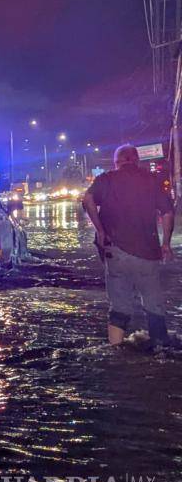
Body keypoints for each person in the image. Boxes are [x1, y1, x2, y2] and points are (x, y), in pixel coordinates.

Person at [83, 144, 175, 346]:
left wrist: (100, 229)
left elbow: (88, 198)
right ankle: (160, 349)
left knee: (119, 306)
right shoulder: (152, 181)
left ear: (117, 162)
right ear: (137, 160)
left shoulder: (106, 179)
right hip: (147, 254)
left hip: (114, 252)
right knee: (153, 303)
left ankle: (115, 350)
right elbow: (168, 213)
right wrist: (166, 243)